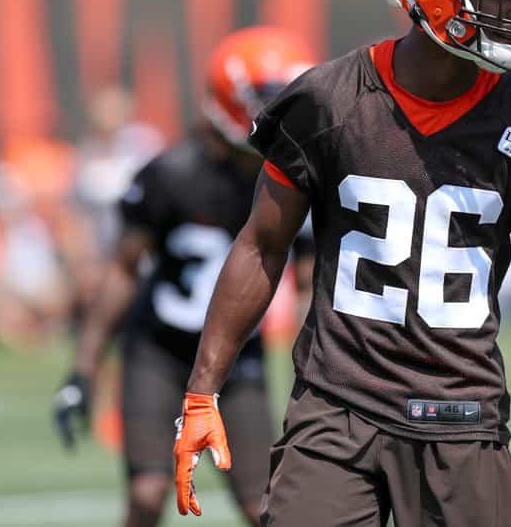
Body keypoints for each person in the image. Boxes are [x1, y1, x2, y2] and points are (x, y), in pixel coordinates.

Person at [173, 0, 511, 526]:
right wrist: (202, 390)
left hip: (464, 417)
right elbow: (262, 244)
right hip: (336, 416)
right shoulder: (328, 102)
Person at [53, 26, 316, 527]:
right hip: (159, 352)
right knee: (148, 493)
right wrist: (83, 370)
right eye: (270, 98)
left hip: (239, 361)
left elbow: (308, 287)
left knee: (266, 506)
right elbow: (122, 273)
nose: (284, 112)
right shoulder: (171, 174)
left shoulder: (295, 176)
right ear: (230, 99)